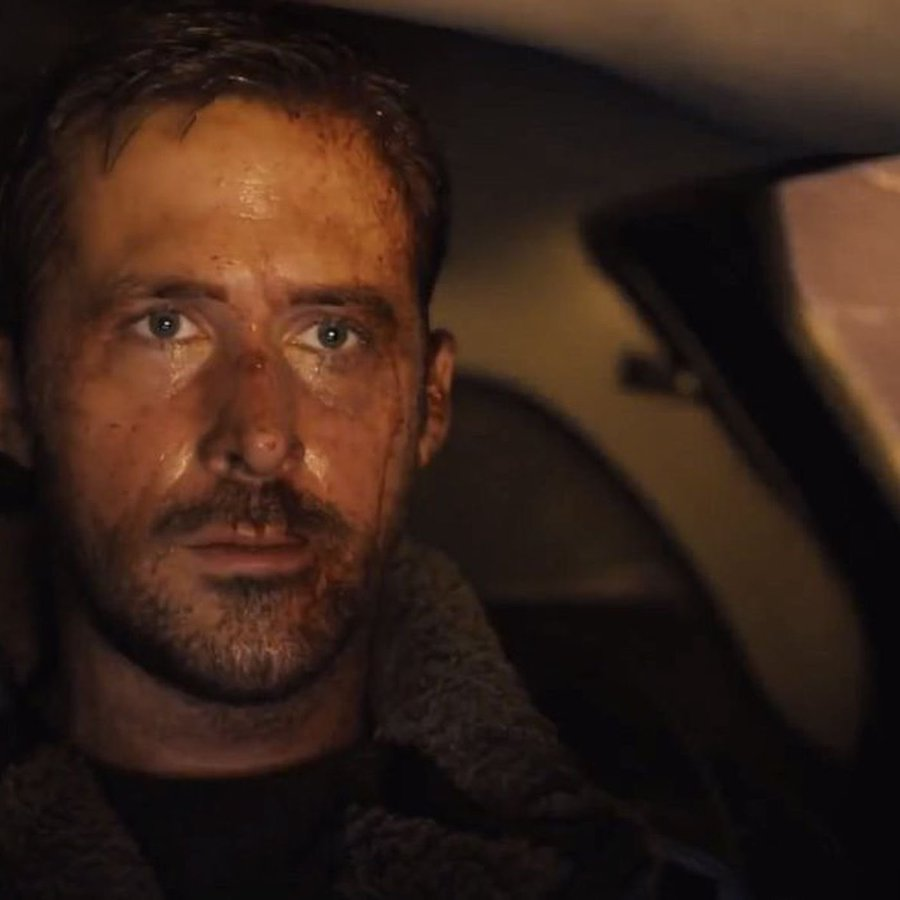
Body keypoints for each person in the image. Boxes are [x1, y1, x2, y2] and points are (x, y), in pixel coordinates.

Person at [0, 4, 734, 897]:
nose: (261, 438)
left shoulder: (670, 853)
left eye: (332, 337)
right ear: (14, 400)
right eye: (165, 327)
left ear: (430, 401)